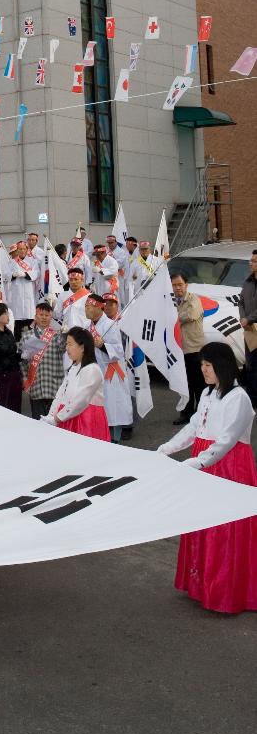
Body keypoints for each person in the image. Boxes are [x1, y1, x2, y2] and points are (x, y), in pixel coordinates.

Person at [157, 342, 257, 613]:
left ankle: (226, 591)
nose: (203, 370)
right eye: (202, 365)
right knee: (201, 524)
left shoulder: (239, 398)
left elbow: (226, 441)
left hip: (228, 467)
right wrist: (166, 449)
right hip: (205, 462)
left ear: (222, 366)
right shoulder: (207, 394)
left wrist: (198, 461)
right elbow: (193, 427)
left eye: (208, 366)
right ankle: (202, 585)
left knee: (225, 530)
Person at [42, 327, 109, 440]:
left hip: (85, 419)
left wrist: (57, 418)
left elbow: (81, 400)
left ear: (82, 347)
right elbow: (61, 393)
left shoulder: (92, 369)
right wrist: (51, 414)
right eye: (66, 344)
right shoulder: (74, 367)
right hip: (67, 416)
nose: (66, 348)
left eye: (70, 344)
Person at [83, 293, 132, 443]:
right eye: (85, 306)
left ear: (98, 308)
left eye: (88, 306)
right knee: (97, 408)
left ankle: (114, 439)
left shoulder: (110, 326)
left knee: (113, 408)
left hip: (110, 374)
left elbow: (118, 351)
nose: (85, 309)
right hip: (95, 373)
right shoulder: (87, 327)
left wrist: (102, 345)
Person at [19, 300, 67, 420]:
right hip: (35, 384)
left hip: (54, 384)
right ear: (35, 316)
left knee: (54, 421)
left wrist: (66, 335)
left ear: (51, 317)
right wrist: (25, 378)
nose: (44, 318)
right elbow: (22, 361)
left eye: (47, 315)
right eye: (41, 315)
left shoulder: (57, 335)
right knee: (37, 421)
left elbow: (63, 349)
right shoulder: (26, 336)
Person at [171, 270, 206, 421]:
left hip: (194, 348)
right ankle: (186, 412)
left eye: (180, 284)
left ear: (186, 285)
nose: (177, 288)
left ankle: (202, 413)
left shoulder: (193, 299)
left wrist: (172, 317)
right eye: (174, 285)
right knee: (184, 384)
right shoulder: (170, 300)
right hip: (179, 349)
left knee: (198, 383)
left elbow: (190, 315)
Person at [0, 302, 23, 411]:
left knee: (15, 408)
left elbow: (12, 354)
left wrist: (24, 354)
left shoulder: (8, 332)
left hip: (14, 375)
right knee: (1, 409)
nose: (8, 316)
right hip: (0, 377)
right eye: (5, 313)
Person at [239, 250, 257, 406]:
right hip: (250, 331)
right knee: (250, 365)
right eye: (251, 260)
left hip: (252, 324)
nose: (251, 263)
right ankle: (252, 399)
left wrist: (249, 318)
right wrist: (243, 317)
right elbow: (241, 302)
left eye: (254, 261)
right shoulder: (248, 281)